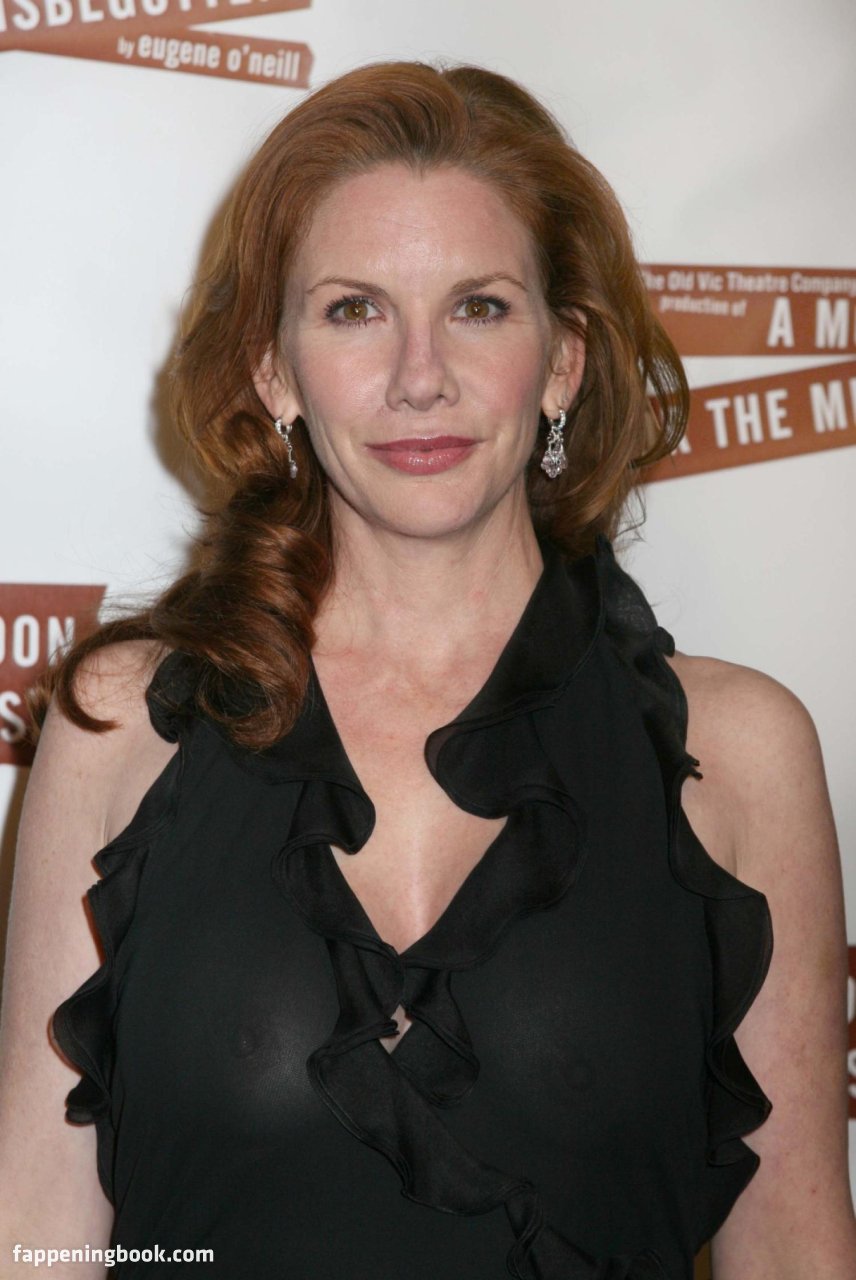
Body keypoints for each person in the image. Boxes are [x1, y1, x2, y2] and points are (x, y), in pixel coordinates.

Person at [0, 59, 853, 1280]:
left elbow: (795, 1254)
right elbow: (33, 1239)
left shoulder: (742, 754)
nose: (418, 375)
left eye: (479, 306)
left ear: (562, 360)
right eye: (354, 309)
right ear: (273, 371)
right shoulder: (120, 729)